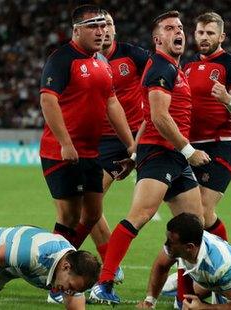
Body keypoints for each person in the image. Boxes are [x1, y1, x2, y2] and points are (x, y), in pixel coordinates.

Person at [89, 11, 210, 305]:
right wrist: (188, 150)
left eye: (180, 27)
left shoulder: (172, 68)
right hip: (161, 154)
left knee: (196, 225)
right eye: (169, 28)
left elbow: (146, 117)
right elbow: (158, 116)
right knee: (139, 216)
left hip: (172, 156)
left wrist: (133, 153)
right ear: (158, 39)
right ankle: (103, 283)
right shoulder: (160, 68)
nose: (177, 32)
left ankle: (185, 295)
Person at [39, 4, 135, 254]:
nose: (101, 31)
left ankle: (61, 263)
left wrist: (130, 144)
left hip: (92, 154)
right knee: (69, 216)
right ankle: (55, 273)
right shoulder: (62, 59)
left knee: (92, 213)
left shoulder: (102, 62)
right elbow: (48, 100)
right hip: (61, 153)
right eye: (93, 26)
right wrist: (65, 143)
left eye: (104, 26)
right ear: (76, 30)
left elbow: (112, 103)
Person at [88, 9, 150, 281]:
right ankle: (111, 263)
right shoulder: (82, 61)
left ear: (114, 29)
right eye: (99, 24)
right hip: (106, 141)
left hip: (140, 134)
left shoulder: (133, 55)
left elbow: (162, 76)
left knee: (182, 202)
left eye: (109, 24)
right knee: (88, 204)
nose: (104, 29)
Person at [182, 12, 231, 241]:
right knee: (196, 213)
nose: (204, 37)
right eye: (200, 32)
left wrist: (227, 99)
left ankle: (217, 263)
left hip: (218, 148)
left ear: (221, 36)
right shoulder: (187, 65)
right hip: (190, 150)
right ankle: (212, 260)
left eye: (210, 33)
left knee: (199, 210)